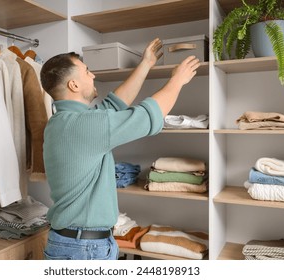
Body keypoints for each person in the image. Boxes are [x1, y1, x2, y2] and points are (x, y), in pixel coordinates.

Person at [40, 38, 200, 260]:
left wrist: (146, 63)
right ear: (73, 85)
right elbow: (146, 116)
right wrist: (177, 80)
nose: (93, 75)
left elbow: (113, 105)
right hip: (84, 250)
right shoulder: (84, 125)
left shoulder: (62, 122)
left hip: (74, 244)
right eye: (87, 71)